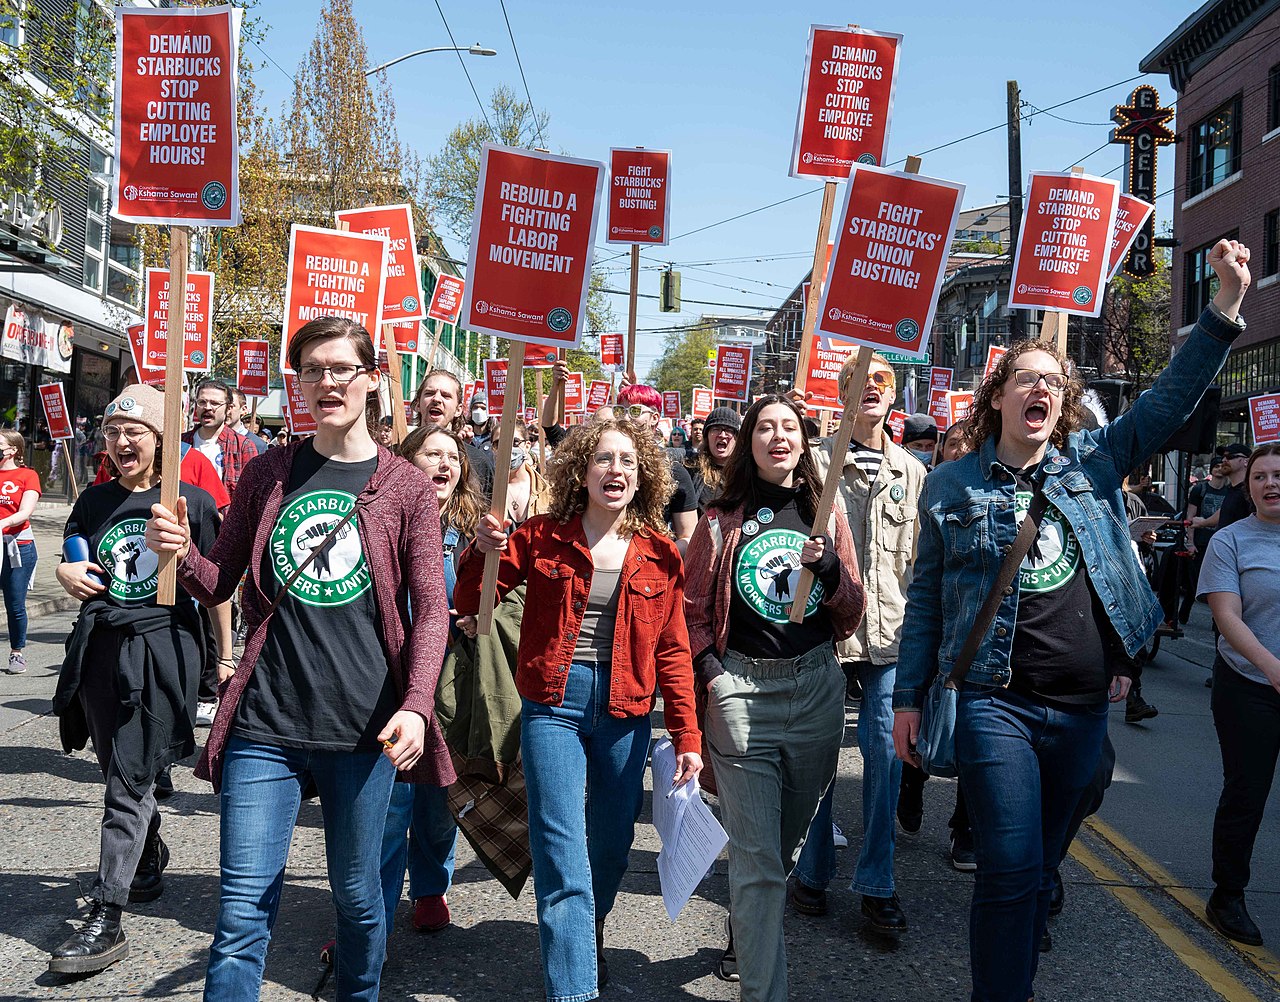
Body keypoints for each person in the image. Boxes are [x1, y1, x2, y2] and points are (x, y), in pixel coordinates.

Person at [892, 238, 1252, 1002]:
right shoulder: (952, 485)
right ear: (998, 397)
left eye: (1054, 384)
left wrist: (1222, 306)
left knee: (1042, 867)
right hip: (996, 700)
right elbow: (927, 599)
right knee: (1010, 866)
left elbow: (1169, 400)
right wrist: (907, 699)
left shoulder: (1091, 463)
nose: (1043, 391)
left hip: (1083, 708)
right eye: (1028, 379)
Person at [146, 316, 453, 1001]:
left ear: (373, 380)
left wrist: (416, 704)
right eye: (311, 370)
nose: (325, 382)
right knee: (242, 908)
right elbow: (218, 581)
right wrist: (179, 554)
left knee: (357, 899)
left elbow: (431, 609)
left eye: (341, 368)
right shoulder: (269, 472)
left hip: (364, 726)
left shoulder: (404, 486)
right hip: (265, 719)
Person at [454, 419, 702, 1001]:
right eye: (603, 459)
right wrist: (480, 550)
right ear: (581, 471)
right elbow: (471, 599)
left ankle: (583, 935)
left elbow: (674, 649)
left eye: (628, 462)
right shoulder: (539, 536)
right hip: (553, 705)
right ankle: (573, 989)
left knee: (612, 844)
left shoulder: (662, 553)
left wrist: (687, 734)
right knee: (560, 847)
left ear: (644, 477)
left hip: (627, 708)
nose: (615, 470)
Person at [684, 394, 865, 1000]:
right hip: (742, 694)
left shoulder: (826, 510)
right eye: (765, 427)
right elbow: (692, 609)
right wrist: (714, 675)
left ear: (805, 442)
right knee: (758, 862)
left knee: (779, 852)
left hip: (816, 692)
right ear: (747, 441)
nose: (778, 437)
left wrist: (834, 569)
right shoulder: (719, 517)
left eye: (789, 427)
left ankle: (749, 920)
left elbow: (851, 611)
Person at [49, 385, 221, 974]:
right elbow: (72, 554)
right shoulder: (93, 502)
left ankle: (106, 914)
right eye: (115, 431)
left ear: (160, 439)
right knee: (117, 768)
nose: (123, 442)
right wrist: (66, 570)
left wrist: (222, 660)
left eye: (136, 432)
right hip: (100, 649)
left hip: (161, 648)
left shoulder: (192, 503)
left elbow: (218, 586)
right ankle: (145, 855)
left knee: (127, 783)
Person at [791, 353, 926, 933]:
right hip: (823, 632)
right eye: (857, 382)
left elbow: (919, 563)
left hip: (890, 637)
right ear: (839, 392)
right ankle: (813, 870)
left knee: (885, 754)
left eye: (880, 382)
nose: (869, 390)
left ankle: (878, 880)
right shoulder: (813, 466)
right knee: (819, 756)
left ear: (893, 396)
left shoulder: (912, 473)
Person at [1197, 443, 1280, 948]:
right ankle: (1227, 893)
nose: (1271, 484)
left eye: (1279, 475)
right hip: (1248, 687)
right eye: (1260, 477)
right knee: (1247, 793)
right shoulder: (1230, 541)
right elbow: (1227, 618)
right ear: (1247, 490)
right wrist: (1273, 668)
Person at [412, 369, 495, 497]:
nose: (436, 399)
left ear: (458, 410)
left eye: (446, 396)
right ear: (417, 404)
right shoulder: (398, 455)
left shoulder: (478, 462)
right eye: (429, 393)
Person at [0, 430, 41, 674]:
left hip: (17, 547)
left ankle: (17, 653)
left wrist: (3, 524)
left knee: (15, 603)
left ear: (13, 450)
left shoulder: (28, 476)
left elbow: (25, 511)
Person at [182, 379, 260, 501]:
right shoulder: (181, 443)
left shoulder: (243, 446)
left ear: (228, 408)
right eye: (202, 402)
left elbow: (252, 494)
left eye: (214, 403)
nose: (207, 407)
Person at [689, 407, 739, 513]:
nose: (722, 435)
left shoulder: (747, 473)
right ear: (707, 436)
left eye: (729, 430)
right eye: (716, 429)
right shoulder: (691, 467)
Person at [227, 389, 267, 456]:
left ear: (243, 409)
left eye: (231, 406)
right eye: (222, 405)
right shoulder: (209, 439)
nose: (226, 411)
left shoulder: (258, 445)